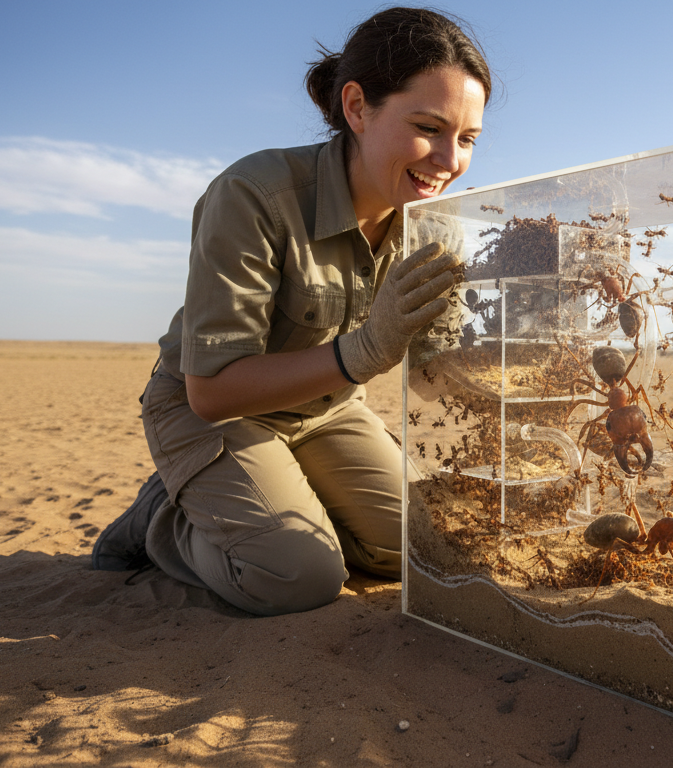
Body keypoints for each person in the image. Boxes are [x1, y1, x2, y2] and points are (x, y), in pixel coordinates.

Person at [91, 7, 491, 616]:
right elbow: (211, 392)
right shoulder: (257, 195)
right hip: (214, 414)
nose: (448, 159)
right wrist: (365, 351)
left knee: (431, 548)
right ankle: (161, 519)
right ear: (357, 108)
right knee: (298, 576)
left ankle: (273, 495)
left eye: (466, 139)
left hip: (327, 413)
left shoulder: (438, 226)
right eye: (428, 127)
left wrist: (535, 360)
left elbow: (439, 373)